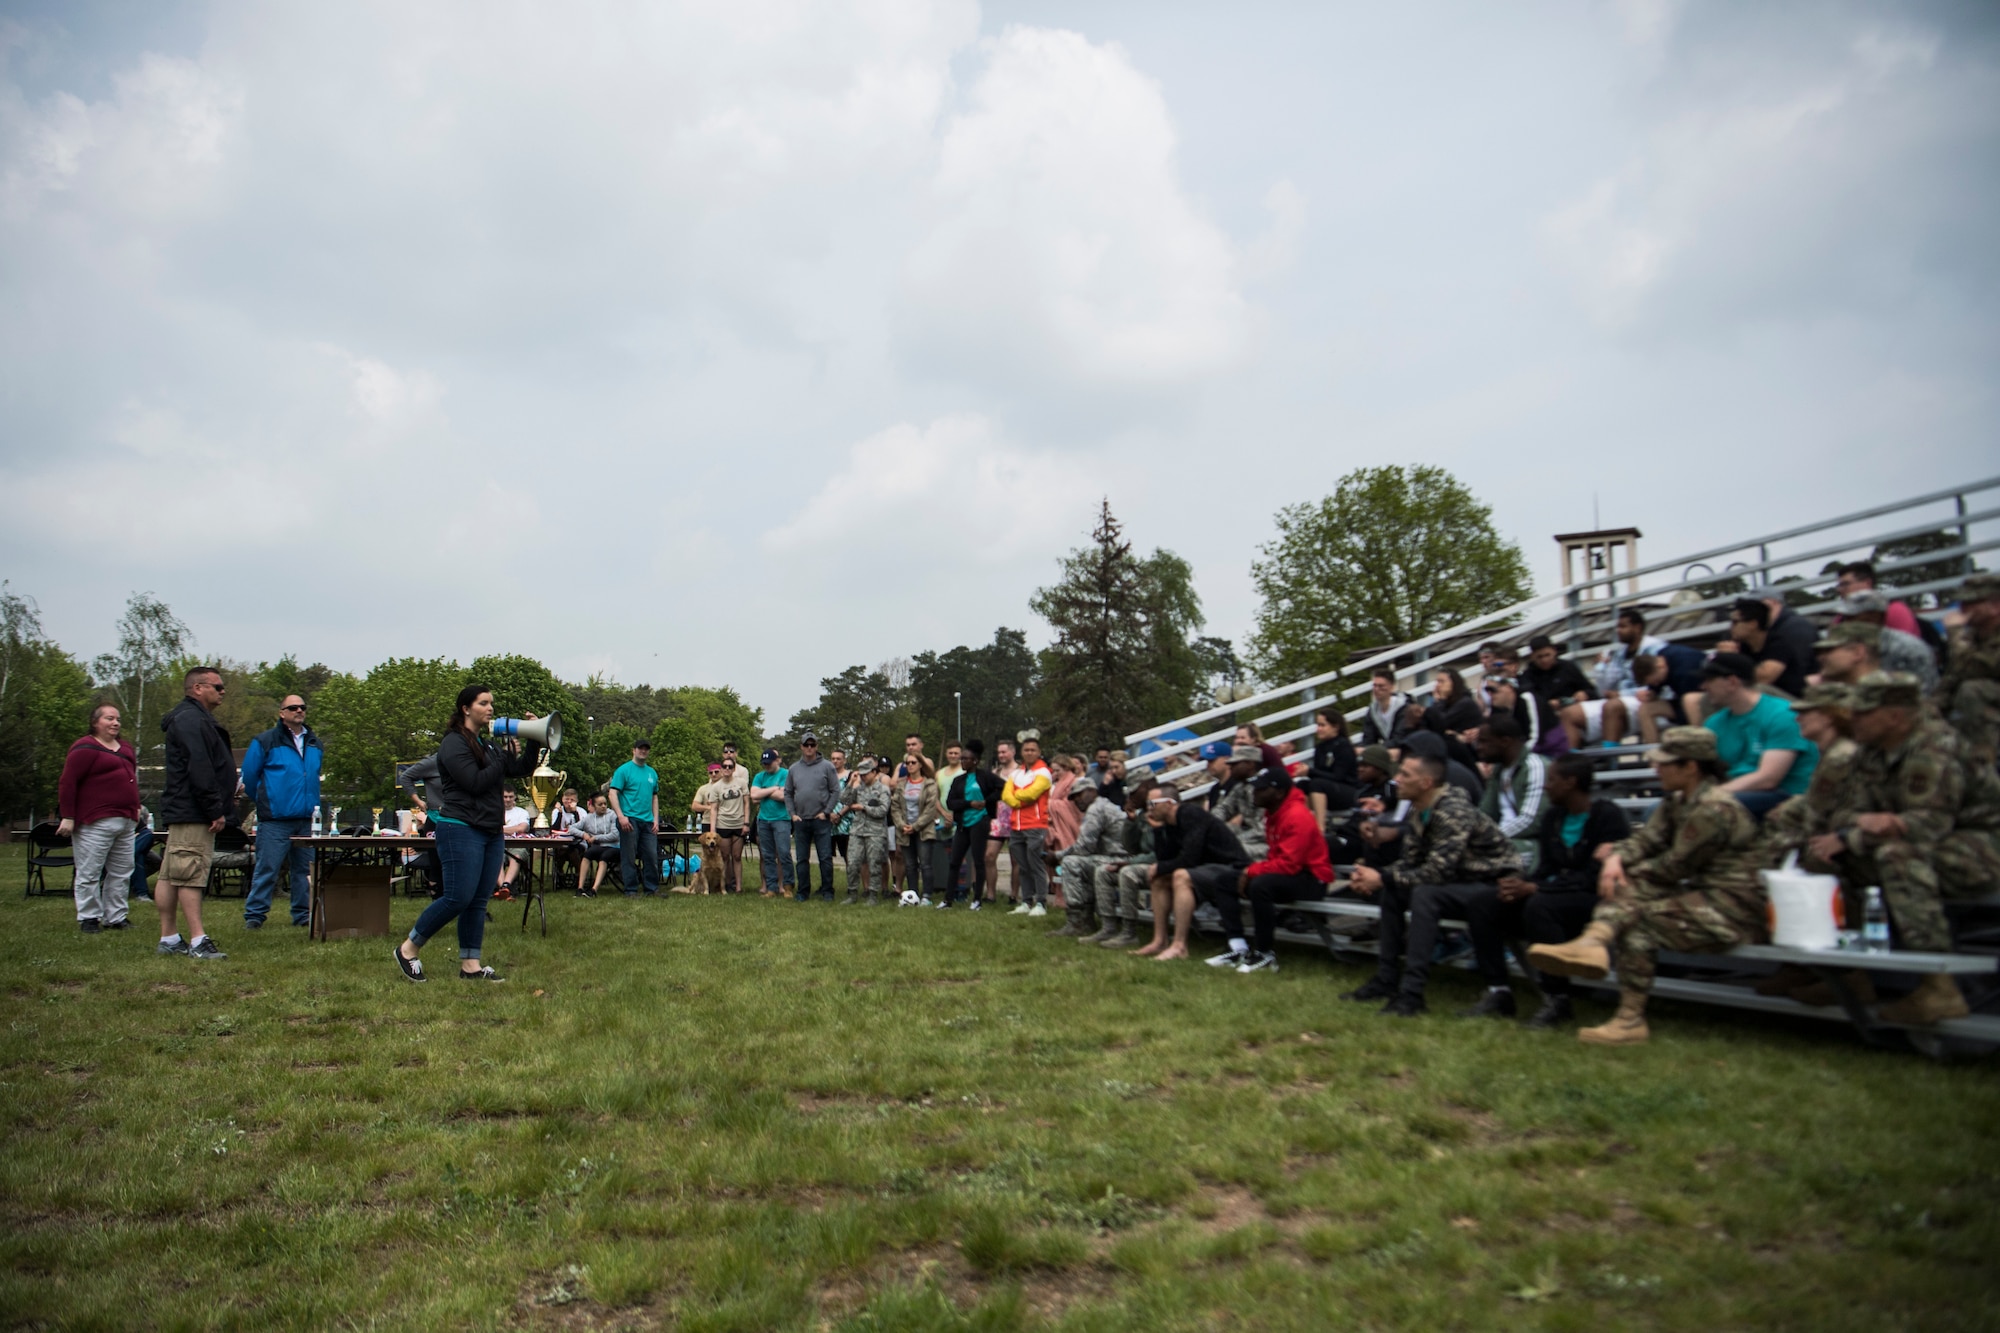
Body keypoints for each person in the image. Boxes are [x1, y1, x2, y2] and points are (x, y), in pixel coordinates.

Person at [1530, 727, 1766, 1046]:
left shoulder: (1714, 809)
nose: (1656, 769)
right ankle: (1604, 966)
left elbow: (1673, 866)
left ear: (1691, 766)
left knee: (1637, 916)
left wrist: (1619, 863)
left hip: (1730, 908)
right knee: (1631, 890)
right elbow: (1645, 839)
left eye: (1665, 763)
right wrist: (1617, 858)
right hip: (1699, 896)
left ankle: (1607, 970)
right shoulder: (1679, 801)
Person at [1811, 673, 2000, 1024]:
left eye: (1863, 713)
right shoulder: (1871, 751)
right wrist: (1865, 825)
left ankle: (1939, 988)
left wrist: (1859, 832)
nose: (1853, 720)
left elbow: (1925, 826)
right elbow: (1842, 811)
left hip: (1980, 844)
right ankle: (1854, 971)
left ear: (1895, 716)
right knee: (1822, 855)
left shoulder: (1934, 748)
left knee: (1897, 856)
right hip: (1925, 841)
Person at [1344, 753, 1521, 1017]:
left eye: (1405, 775)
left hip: (1495, 886)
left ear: (1426, 782)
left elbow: (1436, 872)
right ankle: (1387, 980)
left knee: (1426, 894)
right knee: (1395, 890)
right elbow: (1411, 862)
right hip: (1460, 882)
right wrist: (1374, 877)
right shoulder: (1421, 809)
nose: (1397, 780)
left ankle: (1412, 994)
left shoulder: (1452, 811)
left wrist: (1381, 878)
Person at [394, 684, 540, 982]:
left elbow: (522, 767)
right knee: (458, 897)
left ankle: (470, 965)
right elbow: (474, 782)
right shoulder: (453, 743)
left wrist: (535, 737)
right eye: (484, 703)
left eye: (492, 704)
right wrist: (502, 759)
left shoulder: (486, 745)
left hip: (489, 831)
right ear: (465, 708)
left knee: (478, 899)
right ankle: (408, 949)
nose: (490, 709)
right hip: (460, 828)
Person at [1495, 754, 1631, 1028]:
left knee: (1539, 905)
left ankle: (1558, 1000)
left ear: (1571, 783)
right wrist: (1519, 884)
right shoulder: (1553, 817)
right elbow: (1546, 868)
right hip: (1557, 893)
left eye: (1553, 780)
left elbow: (1593, 879)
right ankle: (1497, 990)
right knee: (1490, 902)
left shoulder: (1607, 816)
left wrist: (1535, 887)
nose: (1546, 787)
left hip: (1598, 898)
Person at [1754, 683, 1871, 1005]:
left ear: (1830, 716)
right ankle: (1802, 965)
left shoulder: (1840, 756)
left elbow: (1817, 815)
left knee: (1786, 862)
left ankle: (1832, 970)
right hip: (1840, 837)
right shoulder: (1831, 753)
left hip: (1853, 845)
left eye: (1806, 712)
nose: (1798, 718)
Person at [1206, 769, 1333, 973]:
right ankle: (1237, 946)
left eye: (1260, 790)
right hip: (1290, 873)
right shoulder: (1275, 812)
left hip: (1312, 878)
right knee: (1224, 881)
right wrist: (1252, 871)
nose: (1254, 793)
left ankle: (1265, 953)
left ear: (1278, 792)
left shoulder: (1296, 815)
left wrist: (1252, 871)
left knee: (1261, 886)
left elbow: (1290, 864)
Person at [156, 666, 237, 961]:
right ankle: (197, 940)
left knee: (170, 874)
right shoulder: (190, 719)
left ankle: (169, 938)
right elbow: (199, 767)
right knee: (190, 873)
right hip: (193, 811)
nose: (223, 691)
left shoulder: (192, 718)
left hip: (187, 808)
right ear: (198, 688)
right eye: (218, 686)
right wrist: (214, 808)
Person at [236, 693, 323, 930]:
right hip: (275, 819)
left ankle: (303, 915)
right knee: (267, 868)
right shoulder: (264, 741)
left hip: (306, 819)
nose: (299, 711)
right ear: (281, 713)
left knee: (305, 872)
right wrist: (266, 801)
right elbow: (250, 777)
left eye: (302, 707)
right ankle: (255, 916)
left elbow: (313, 776)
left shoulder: (315, 743)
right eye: (293, 707)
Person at [1133, 787, 1249, 962]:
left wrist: (1161, 867)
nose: (1149, 808)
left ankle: (1180, 946)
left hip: (1231, 869)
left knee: (1181, 876)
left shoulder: (1191, 814)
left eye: (1152, 804)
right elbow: (1166, 857)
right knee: (1160, 880)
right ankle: (1159, 940)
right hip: (1207, 869)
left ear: (1169, 804)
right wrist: (1157, 831)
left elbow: (1189, 859)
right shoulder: (1171, 824)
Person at [1700, 652, 1817, 817]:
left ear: (1732, 682)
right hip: (1738, 792)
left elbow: (1768, 779)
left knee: (1708, 809)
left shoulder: (1783, 715)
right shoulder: (1714, 723)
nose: (1703, 686)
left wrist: (1710, 795)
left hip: (1785, 796)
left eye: (1709, 680)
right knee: (1664, 809)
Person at [57, 703, 140, 934]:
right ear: (95, 723)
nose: (115, 723)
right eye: (109, 718)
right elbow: (68, 782)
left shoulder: (125, 748)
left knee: (122, 870)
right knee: (90, 871)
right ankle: (89, 917)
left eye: (118, 719)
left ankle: (116, 916)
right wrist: (68, 816)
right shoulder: (85, 748)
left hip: (125, 820)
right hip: (95, 821)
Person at [1936, 572, 2000, 768]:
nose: (1963, 609)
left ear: (1995, 605)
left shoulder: (1963, 637)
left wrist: (1955, 634)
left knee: (1972, 689)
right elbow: (1952, 677)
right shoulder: (1973, 636)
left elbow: (1975, 668)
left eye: (1972, 603)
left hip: (1987, 700)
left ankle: (1983, 767)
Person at [1476, 714, 1549, 870]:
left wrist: (1487, 839)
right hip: (1501, 841)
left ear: (1505, 742)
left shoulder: (1534, 766)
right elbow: (1485, 813)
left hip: (1530, 845)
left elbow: (1530, 820)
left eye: (1484, 741)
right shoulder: (1499, 770)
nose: (1478, 747)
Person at [1834, 592, 1939, 692]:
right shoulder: (1844, 649)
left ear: (1874, 617)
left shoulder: (1909, 648)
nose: (1847, 623)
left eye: (1852, 617)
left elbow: (1925, 693)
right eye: (1846, 618)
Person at [1060, 782, 1125, 939]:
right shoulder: (1104, 805)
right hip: (1115, 857)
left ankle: (1077, 922)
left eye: (1080, 795)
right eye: (1074, 798)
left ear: (1092, 791)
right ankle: (1085, 920)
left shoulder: (1096, 809)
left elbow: (1084, 847)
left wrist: (1057, 856)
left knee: (1071, 863)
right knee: (1082, 863)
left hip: (1119, 859)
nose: (1077, 801)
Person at [945, 738, 1001, 909]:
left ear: (975, 761)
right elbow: (950, 803)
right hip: (963, 824)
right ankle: (948, 900)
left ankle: (977, 899)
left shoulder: (985, 777)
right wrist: (969, 804)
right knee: (955, 861)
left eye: (965, 759)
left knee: (978, 861)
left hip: (980, 822)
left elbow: (1002, 788)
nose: (962, 761)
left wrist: (986, 802)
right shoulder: (958, 781)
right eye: (961, 759)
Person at [786, 731, 841, 901]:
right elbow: (788, 792)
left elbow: (835, 790)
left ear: (817, 746)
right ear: (801, 747)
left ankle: (827, 891)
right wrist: (792, 814)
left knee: (825, 857)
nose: (809, 748)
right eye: (806, 745)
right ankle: (803, 891)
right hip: (801, 820)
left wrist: (826, 812)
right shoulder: (794, 768)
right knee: (802, 858)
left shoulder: (827, 766)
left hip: (821, 820)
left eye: (812, 745)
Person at [1002, 737, 1055, 916]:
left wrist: (1016, 798)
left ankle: (1041, 902)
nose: (1029, 753)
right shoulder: (1016, 773)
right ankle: (1026, 900)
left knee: (1035, 863)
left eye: (1033, 750)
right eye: (1026, 750)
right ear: (1022, 752)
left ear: (1039, 752)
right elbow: (1006, 795)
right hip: (1016, 825)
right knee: (1022, 865)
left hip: (1035, 824)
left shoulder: (1044, 772)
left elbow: (1033, 794)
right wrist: (1018, 800)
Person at [1725, 598, 1811, 699]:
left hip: (1792, 701)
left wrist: (1731, 659)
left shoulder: (1779, 644)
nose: (1731, 627)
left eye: (1735, 622)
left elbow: (1764, 678)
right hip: (1764, 701)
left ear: (1753, 624)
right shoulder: (1743, 647)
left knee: (1759, 690)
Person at [894, 755, 946, 906]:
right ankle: (912, 894)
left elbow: (930, 809)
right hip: (905, 829)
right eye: (907, 763)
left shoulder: (929, 784)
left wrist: (915, 826)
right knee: (910, 865)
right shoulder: (901, 784)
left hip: (923, 830)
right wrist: (902, 824)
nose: (909, 765)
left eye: (913, 762)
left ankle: (927, 896)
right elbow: (895, 806)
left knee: (925, 864)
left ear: (920, 765)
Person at [698, 754, 753, 893]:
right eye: (724, 766)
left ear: (734, 768)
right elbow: (714, 809)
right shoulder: (716, 787)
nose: (727, 769)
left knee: (737, 856)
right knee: (724, 857)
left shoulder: (741, 783)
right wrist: (712, 830)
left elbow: (747, 803)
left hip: (739, 823)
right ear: (721, 769)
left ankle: (738, 887)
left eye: (730, 766)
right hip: (722, 824)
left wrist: (746, 823)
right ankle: (727, 886)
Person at [1520, 638, 1598, 737]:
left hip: (1575, 712)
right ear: (1532, 657)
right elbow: (1529, 702)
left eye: (1547, 655)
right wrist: (1547, 704)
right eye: (1539, 657)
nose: (1544, 660)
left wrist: (1584, 694)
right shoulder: (1527, 677)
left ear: (1554, 652)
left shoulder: (1568, 667)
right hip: (1548, 719)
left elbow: (1593, 691)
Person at [842, 760, 892, 904]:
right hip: (857, 831)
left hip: (875, 832)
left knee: (874, 863)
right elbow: (844, 799)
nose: (863, 777)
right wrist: (851, 783)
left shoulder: (883, 789)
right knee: (852, 862)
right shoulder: (858, 789)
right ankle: (852, 893)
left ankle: (873, 895)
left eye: (866, 774)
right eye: (861, 774)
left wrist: (864, 808)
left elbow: (883, 811)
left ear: (874, 772)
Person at [1300, 709, 1358, 827]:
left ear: (1335, 727)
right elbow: (1319, 773)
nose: (1318, 729)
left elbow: (1339, 776)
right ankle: (1304, 824)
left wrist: (1310, 771)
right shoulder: (1320, 748)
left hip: (1349, 791)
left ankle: (1320, 828)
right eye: (1318, 725)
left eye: (1322, 725)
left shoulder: (1343, 746)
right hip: (1328, 790)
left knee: (1317, 784)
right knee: (1301, 785)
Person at [1835, 561, 1921, 636]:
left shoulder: (1894, 610)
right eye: (1839, 586)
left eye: (1845, 584)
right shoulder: (1841, 618)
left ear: (1867, 583)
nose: (1839, 590)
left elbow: (1907, 649)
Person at [751, 748, 793, 896]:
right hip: (763, 820)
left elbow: (784, 796)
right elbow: (753, 795)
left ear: (778, 760)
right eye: (764, 764)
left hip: (781, 819)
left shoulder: (786, 774)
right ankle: (771, 888)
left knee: (783, 853)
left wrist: (763, 793)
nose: (767, 766)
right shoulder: (759, 776)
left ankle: (787, 887)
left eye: (769, 763)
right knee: (767, 855)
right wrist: (774, 789)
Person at [985, 739, 1016, 904]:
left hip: (1016, 819)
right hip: (997, 819)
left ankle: (1014, 894)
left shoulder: (1020, 772)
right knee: (989, 856)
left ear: (1013, 752)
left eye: (1004, 752)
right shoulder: (994, 773)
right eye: (999, 752)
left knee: (1016, 859)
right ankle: (990, 895)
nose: (1001, 755)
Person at [575, 792, 621, 896]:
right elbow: (572, 828)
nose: (603, 806)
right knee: (588, 854)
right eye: (600, 804)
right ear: (593, 806)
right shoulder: (589, 818)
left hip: (615, 846)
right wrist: (583, 834)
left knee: (604, 856)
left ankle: (594, 889)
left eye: (605, 803)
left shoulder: (612, 815)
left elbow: (614, 835)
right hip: (601, 846)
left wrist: (596, 838)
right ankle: (580, 888)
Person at [492, 787, 534, 899]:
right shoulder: (493, 811)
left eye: (510, 797)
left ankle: (505, 885)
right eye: (505, 797)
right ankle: (504, 889)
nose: (508, 799)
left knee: (516, 856)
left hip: (517, 846)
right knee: (496, 857)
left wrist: (500, 829)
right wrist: (512, 829)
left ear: (515, 797)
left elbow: (522, 828)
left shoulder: (521, 812)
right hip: (497, 845)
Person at [1360, 669, 1415, 747]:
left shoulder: (1404, 708)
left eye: (1381, 686)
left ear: (1392, 687)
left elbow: (1400, 737)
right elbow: (1368, 738)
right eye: (1374, 686)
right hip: (1389, 750)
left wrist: (1379, 749)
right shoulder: (1373, 710)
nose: (1376, 690)